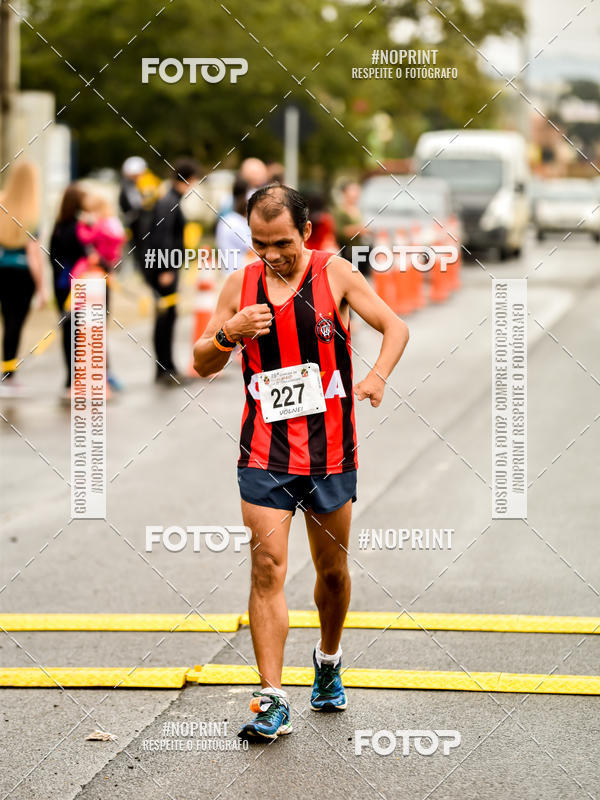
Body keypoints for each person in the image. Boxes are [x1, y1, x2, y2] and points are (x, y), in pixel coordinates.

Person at [193, 185, 409, 741]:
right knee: (266, 568)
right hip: (264, 451)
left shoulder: (333, 273)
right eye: (261, 243)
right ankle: (271, 697)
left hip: (330, 451)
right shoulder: (239, 285)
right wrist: (228, 333)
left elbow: (395, 326)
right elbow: (199, 363)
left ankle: (329, 662)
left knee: (332, 573)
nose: (272, 254)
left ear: (305, 233)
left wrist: (377, 375)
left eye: (283, 243)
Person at [145, 157, 199, 385]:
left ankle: (168, 367)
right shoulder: (169, 201)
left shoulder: (169, 199)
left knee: (168, 316)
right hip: (164, 268)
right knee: (165, 317)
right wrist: (166, 268)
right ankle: (164, 368)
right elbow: (162, 237)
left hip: (166, 266)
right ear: (187, 179)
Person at [0, 161, 46, 395]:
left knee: (6, 321)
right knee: (14, 323)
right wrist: (42, 289)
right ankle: (8, 375)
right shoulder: (32, 214)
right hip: (22, 275)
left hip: (2, 271)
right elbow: (33, 255)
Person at [49, 183, 88, 398]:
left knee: (67, 330)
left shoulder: (58, 226)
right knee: (78, 330)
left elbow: (51, 256)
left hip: (61, 284)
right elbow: (85, 254)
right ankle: (76, 379)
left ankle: (70, 379)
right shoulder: (78, 228)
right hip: (77, 284)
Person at [118, 156, 157, 271]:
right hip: (135, 222)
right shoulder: (129, 185)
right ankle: (140, 266)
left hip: (144, 222)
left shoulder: (147, 182)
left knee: (144, 247)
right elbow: (134, 204)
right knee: (136, 247)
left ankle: (144, 266)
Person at [215, 177, 253, 274]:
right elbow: (252, 251)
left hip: (228, 272)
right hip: (239, 275)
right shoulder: (237, 223)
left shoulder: (225, 221)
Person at [333, 180, 370, 275]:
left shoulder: (358, 210)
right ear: (345, 193)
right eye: (352, 191)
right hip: (347, 251)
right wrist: (358, 230)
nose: (356, 194)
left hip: (361, 251)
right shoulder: (340, 211)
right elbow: (339, 231)